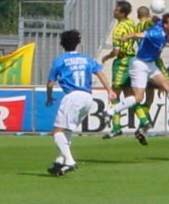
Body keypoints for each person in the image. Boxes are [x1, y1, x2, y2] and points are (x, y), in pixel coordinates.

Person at [105, 12, 169, 145]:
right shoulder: (156, 34)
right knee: (138, 98)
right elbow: (138, 34)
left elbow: (167, 39)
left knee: (168, 86)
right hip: (139, 64)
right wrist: (125, 38)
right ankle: (111, 111)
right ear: (165, 25)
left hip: (150, 64)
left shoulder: (161, 29)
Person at [46, 29, 116, 176]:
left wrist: (49, 96)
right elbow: (100, 72)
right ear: (78, 43)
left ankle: (70, 161)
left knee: (57, 132)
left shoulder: (60, 60)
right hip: (87, 97)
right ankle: (60, 161)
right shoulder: (86, 59)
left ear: (61, 44)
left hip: (72, 96)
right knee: (68, 130)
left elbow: (51, 83)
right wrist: (109, 90)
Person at [101, 0, 136, 139]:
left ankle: (116, 127)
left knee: (114, 94)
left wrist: (107, 57)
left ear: (122, 13)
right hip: (132, 60)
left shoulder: (119, 29)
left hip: (122, 61)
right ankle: (145, 121)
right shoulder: (131, 23)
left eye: (116, 10)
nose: (113, 11)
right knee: (130, 95)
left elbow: (116, 51)